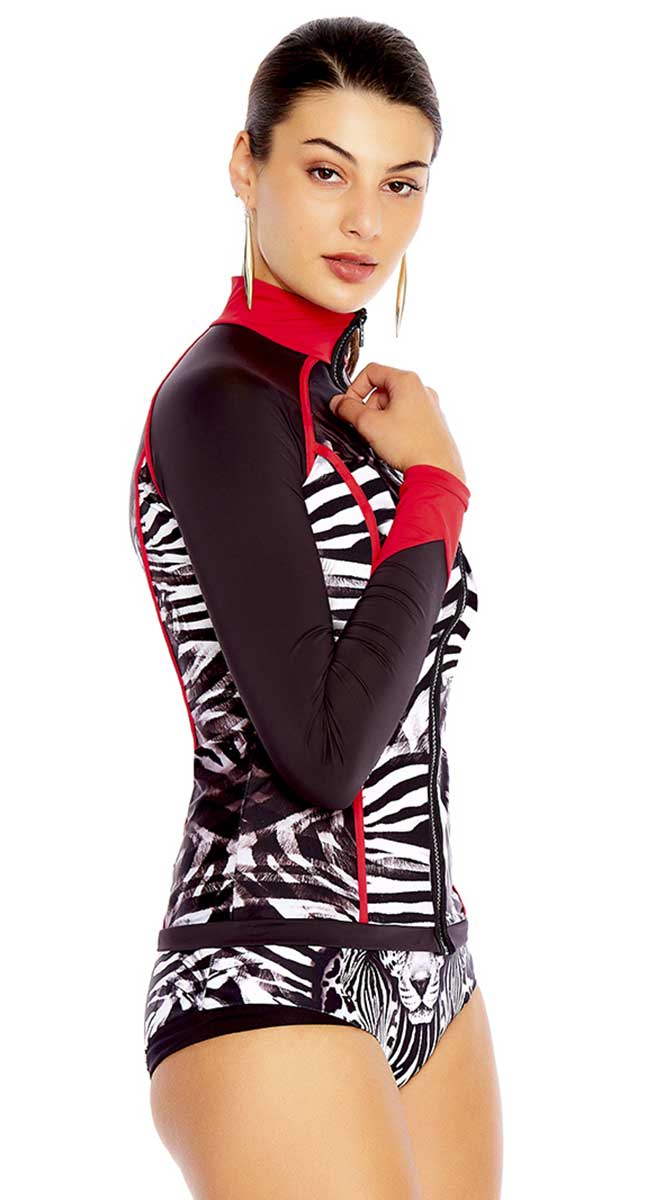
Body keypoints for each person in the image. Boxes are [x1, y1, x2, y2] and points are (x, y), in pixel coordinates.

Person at [129, 16, 503, 1199]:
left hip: (435, 967)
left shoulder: (358, 415)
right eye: (326, 172)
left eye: (401, 184)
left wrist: (414, 473)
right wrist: (437, 488)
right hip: (264, 967)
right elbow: (324, 752)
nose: (366, 223)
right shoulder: (220, 404)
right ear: (246, 166)